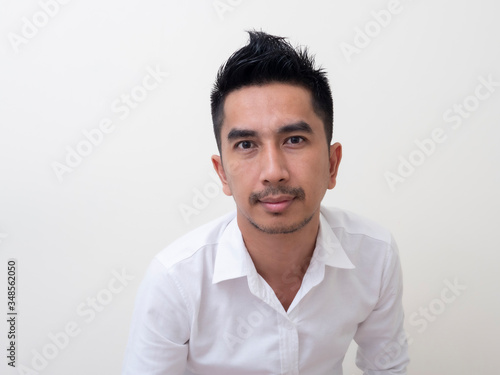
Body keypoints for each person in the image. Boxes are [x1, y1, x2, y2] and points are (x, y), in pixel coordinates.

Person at [121, 31, 409, 374]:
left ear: (332, 165)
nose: (273, 172)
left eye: (295, 139)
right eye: (246, 144)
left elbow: (387, 368)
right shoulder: (176, 280)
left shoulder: (374, 256)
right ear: (223, 174)